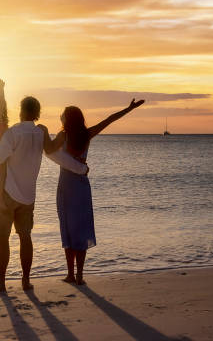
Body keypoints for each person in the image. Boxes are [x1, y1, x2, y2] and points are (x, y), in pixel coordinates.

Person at [0, 96, 89, 292]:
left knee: (3, 237)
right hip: (28, 196)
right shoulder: (40, 133)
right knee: (26, 238)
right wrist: (80, 168)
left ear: (21, 111)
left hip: (6, 193)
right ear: (37, 113)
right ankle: (26, 281)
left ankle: (1, 283)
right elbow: (54, 153)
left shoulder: (13, 133)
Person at [47, 98, 145, 285]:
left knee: (68, 228)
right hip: (82, 186)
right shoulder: (87, 134)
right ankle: (79, 276)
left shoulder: (63, 136)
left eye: (63, 115)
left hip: (66, 186)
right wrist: (128, 108)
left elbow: (49, 149)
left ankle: (70, 274)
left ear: (68, 119)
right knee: (81, 229)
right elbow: (109, 120)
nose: (60, 116)